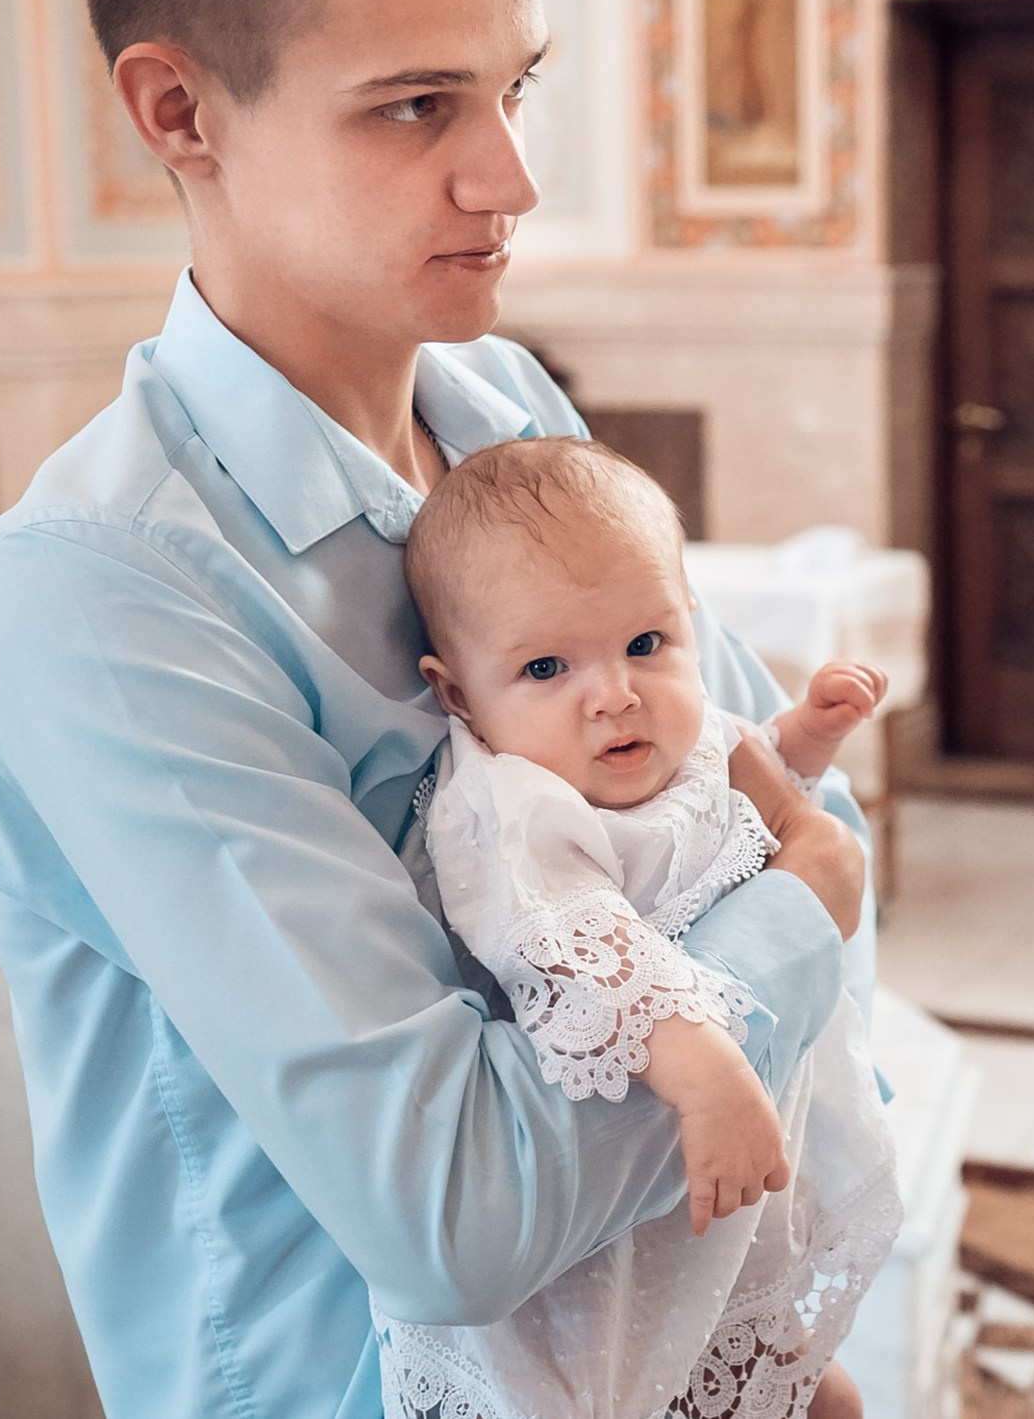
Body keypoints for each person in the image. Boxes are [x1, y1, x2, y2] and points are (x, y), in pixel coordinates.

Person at [0, 0, 871, 1417]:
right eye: (416, 105)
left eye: (517, 86)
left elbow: (739, 776)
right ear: (180, 112)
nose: (510, 178)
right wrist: (801, 917)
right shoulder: (102, 596)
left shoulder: (506, 404)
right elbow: (460, 1207)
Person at [378, 437, 900, 1419]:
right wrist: (707, 1077)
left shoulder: (671, 732)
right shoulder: (511, 808)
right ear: (458, 695)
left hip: (722, 1185)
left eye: (647, 643)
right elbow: (588, 952)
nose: (614, 692)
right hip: (622, 1220)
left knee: (815, 1391)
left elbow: (740, 792)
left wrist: (806, 735)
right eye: (546, 666)